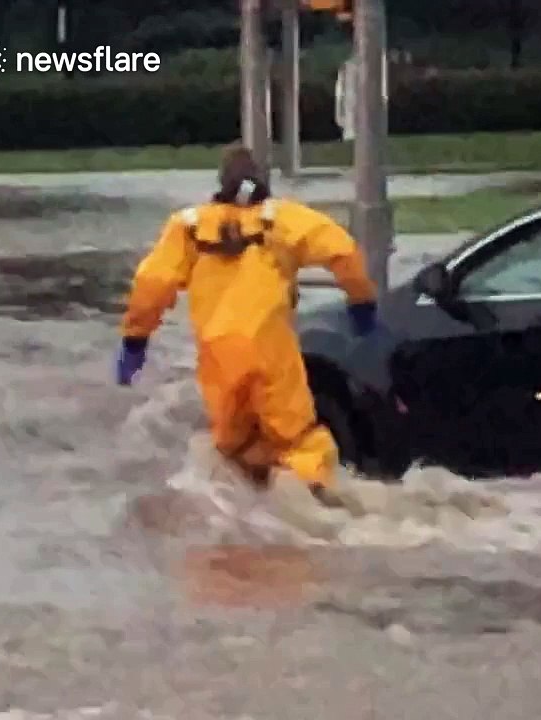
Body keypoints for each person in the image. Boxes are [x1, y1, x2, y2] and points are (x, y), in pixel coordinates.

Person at [115, 144, 379, 537]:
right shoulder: (283, 220)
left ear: (220, 184)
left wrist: (135, 341)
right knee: (298, 440)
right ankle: (324, 520)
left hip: (219, 357)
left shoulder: (187, 228)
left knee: (233, 447)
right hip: (270, 350)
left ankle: (243, 539)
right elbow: (343, 251)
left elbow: (151, 285)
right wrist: (362, 302)